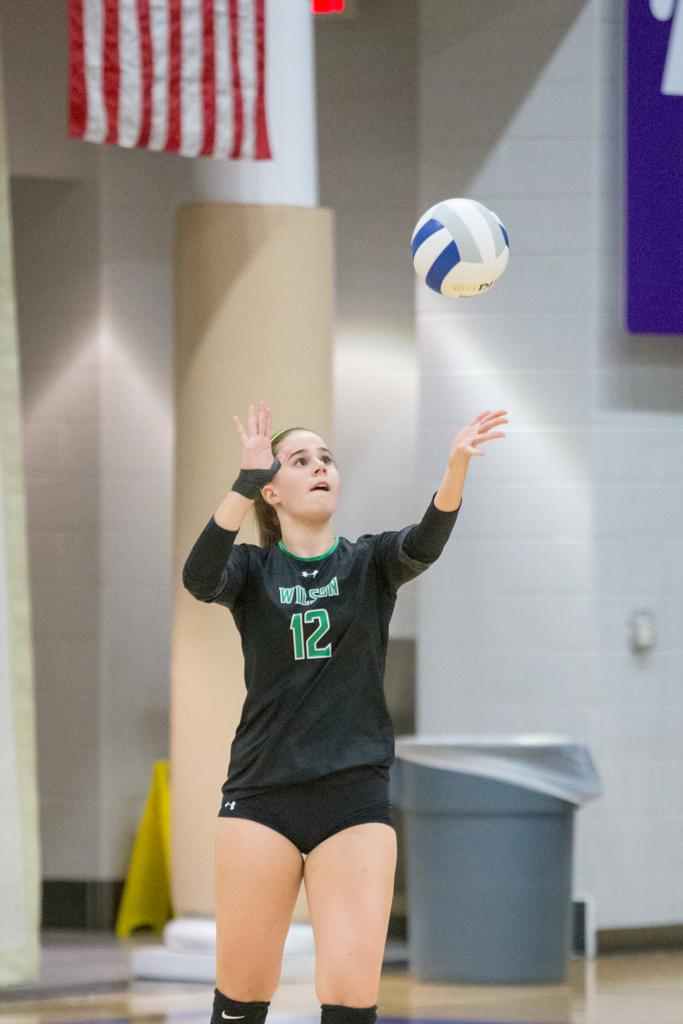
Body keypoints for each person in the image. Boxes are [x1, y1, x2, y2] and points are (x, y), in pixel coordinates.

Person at [182, 400, 508, 1024]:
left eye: (326, 458)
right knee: (241, 1000)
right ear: (271, 492)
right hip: (260, 795)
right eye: (300, 460)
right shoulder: (253, 570)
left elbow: (425, 542)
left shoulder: (369, 563)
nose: (320, 466)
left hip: (354, 799)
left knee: (350, 1000)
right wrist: (241, 482)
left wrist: (456, 466)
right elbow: (200, 577)